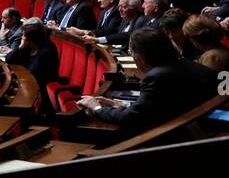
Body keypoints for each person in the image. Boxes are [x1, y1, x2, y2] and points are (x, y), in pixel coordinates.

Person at [78, 28, 215, 134]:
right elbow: (160, 105)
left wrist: (97, 108)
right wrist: (120, 104)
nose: (132, 56)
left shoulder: (156, 77)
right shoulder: (186, 64)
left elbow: (131, 119)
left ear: (141, 56)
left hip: (170, 138)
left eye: (131, 52)